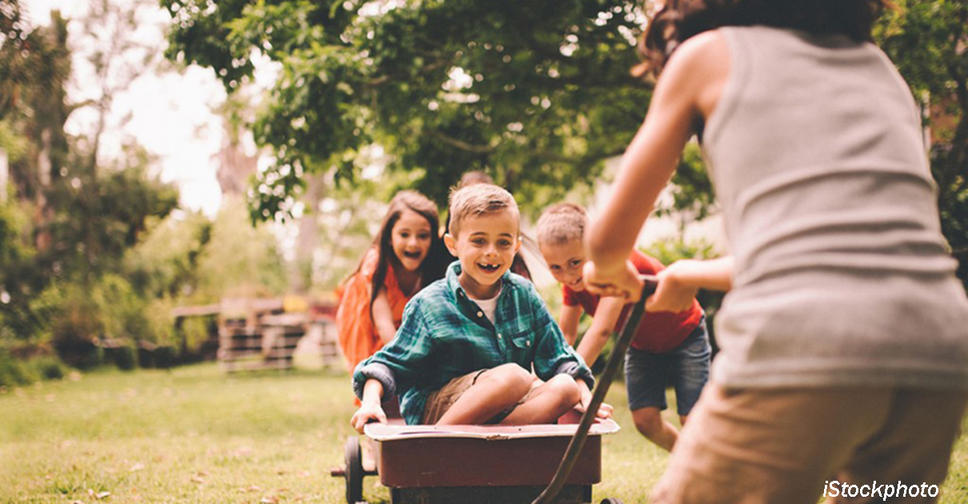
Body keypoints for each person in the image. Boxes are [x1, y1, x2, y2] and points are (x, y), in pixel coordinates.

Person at [582, 1, 968, 503]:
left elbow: (607, 242)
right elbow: (841, 251)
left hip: (807, 348)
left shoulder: (708, 56)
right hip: (937, 350)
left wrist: (609, 272)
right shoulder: (878, 66)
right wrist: (685, 274)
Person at [350, 183, 610, 431]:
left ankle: (486, 441)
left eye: (504, 243)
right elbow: (388, 364)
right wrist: (371, 402)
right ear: (453, 245)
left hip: (506, 407)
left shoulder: (524, 295)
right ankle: (436, 443)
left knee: (566, 386)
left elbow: (560, 358)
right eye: (478, 241)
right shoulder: (430, 303)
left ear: (516, 247)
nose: (492, 252)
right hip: (440, 412)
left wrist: (585, 396)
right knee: (514, 377)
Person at [536, 202, 709, 452]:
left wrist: (569, 376)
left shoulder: (615, 266)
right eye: (556, 268)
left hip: (685, 333)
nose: (568, 276)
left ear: (593, 245)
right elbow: (566, 335)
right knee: (645, 420)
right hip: (643, 345)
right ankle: (693, 461)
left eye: (575, 262)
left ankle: (701, 467)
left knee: (691, 418)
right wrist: (549, 376)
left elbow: (601, 331)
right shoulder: (572, 285)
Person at [336, 190, 449, 372]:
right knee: (378, 372)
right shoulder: (376, 263)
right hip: (366, 322)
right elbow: (383, 323)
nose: (413, 243)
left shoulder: (433, 267)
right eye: (404, 235)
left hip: (399, 323)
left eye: (423, 236)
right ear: (389, 236)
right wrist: (408, 363)